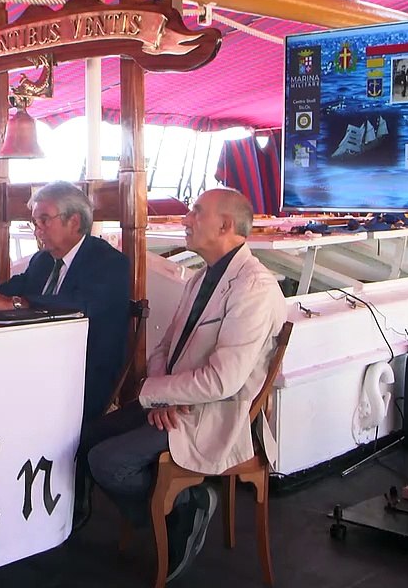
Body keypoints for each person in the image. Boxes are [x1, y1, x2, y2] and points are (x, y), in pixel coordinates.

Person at [86, 188, 287, 582]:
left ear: (225, 225)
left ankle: (186, 503)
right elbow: (166, 347)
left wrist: (156, 393)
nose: (186, 218)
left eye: (196, 212)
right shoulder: (200, 278)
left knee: (107, 462)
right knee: (88, 437)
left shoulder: (254, 289)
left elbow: (223, 381)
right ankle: (181, 507)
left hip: (219, 414)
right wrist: (162, 395)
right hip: (177, 404)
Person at [0, 181, 130, 422]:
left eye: (44, 220)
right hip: (34, 364)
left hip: (82, 374)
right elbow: (14, 288)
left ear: (74, 221)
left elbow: (78, 306)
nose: (37, 230)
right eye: (35, 223)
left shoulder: (109, 262)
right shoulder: (42, 260)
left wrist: (17, 303)